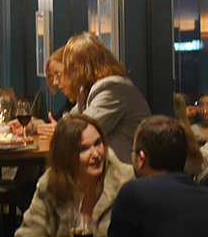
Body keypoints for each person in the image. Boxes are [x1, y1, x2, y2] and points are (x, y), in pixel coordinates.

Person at [37, 32, 151, 160]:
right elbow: (70, 120)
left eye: (71, 68)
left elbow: (83, 130)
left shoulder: (113, 87)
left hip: (125, 172)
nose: (69, 73)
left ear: (84, 67)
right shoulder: (88, 89)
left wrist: (60, 131)